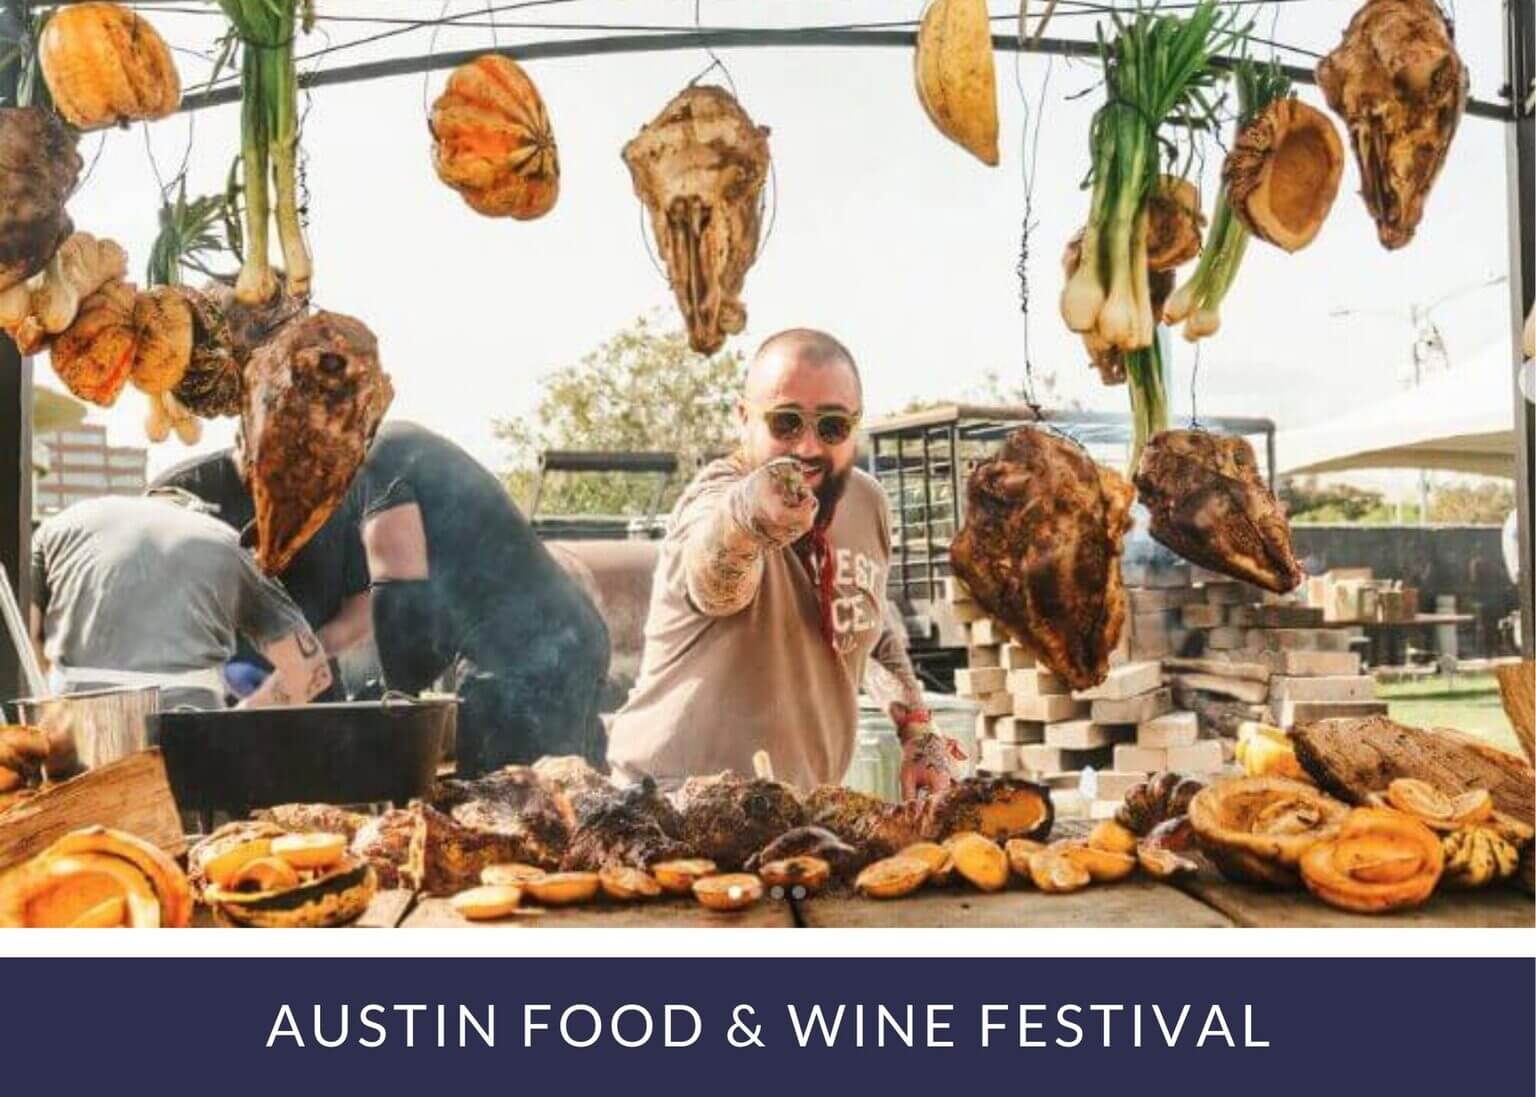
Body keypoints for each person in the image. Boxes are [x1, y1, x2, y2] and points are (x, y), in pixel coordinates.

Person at [606, 328, 960, 794]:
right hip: (670, 810)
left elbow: (870, 626)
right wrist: (750, 513)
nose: (808, 448)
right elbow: (713, 582)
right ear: (744, 418)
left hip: (796, 815)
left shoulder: (864, 502)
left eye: (832, 426)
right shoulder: (715, 501)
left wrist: (918, 732)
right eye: (785, 422)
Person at [333, 420, 611, 775]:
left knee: (507, 811)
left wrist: (397, 701)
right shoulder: (403, 445)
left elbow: (398, 583)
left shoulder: (376, 456)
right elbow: (391, 610)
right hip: (564, 642)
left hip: (529, 659)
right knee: (570, 802)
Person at [29, 491, 332, 710]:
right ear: (198, 512)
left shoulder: (62, 524)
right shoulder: (228, 541)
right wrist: (244, 715)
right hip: (187, 729)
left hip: (75, 730)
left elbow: (23, 637)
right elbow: (309, 672)